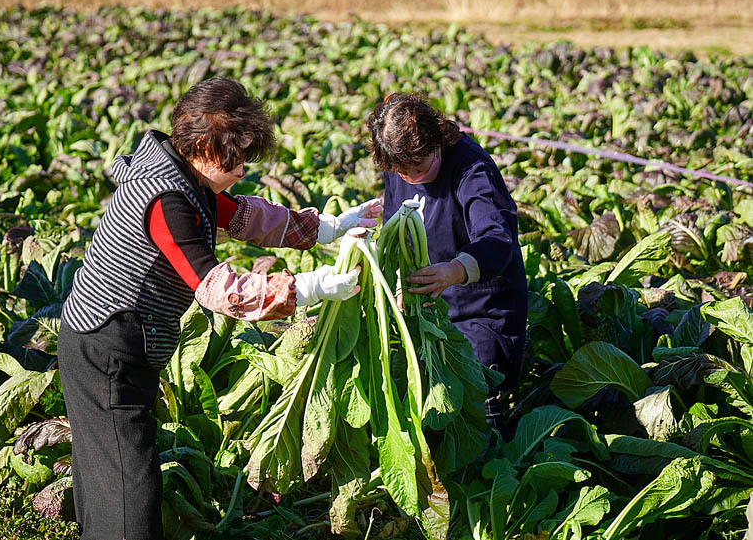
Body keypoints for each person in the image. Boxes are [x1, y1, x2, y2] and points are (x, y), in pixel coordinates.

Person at [58, 77, 381, 540]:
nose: (244, 168)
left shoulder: (184, 176)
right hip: (107, 349)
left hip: (113, 342)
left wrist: (328, 227)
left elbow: (245, 217)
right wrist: (306, 288)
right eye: (238, 157)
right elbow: (217, 289)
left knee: (109, 470)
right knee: (130, 491)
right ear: (206, 146)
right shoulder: (166, 199)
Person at [367, 93, 528, 438]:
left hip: (481, 308)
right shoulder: (401, 167)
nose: (410, 178)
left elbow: (498, 238)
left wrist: (455, 271)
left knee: (477, 392)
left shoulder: (471, 168)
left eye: (419, 169)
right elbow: (396, 223)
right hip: (429, 307)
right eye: (402, 172)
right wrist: (398, 281)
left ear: (437, 142)